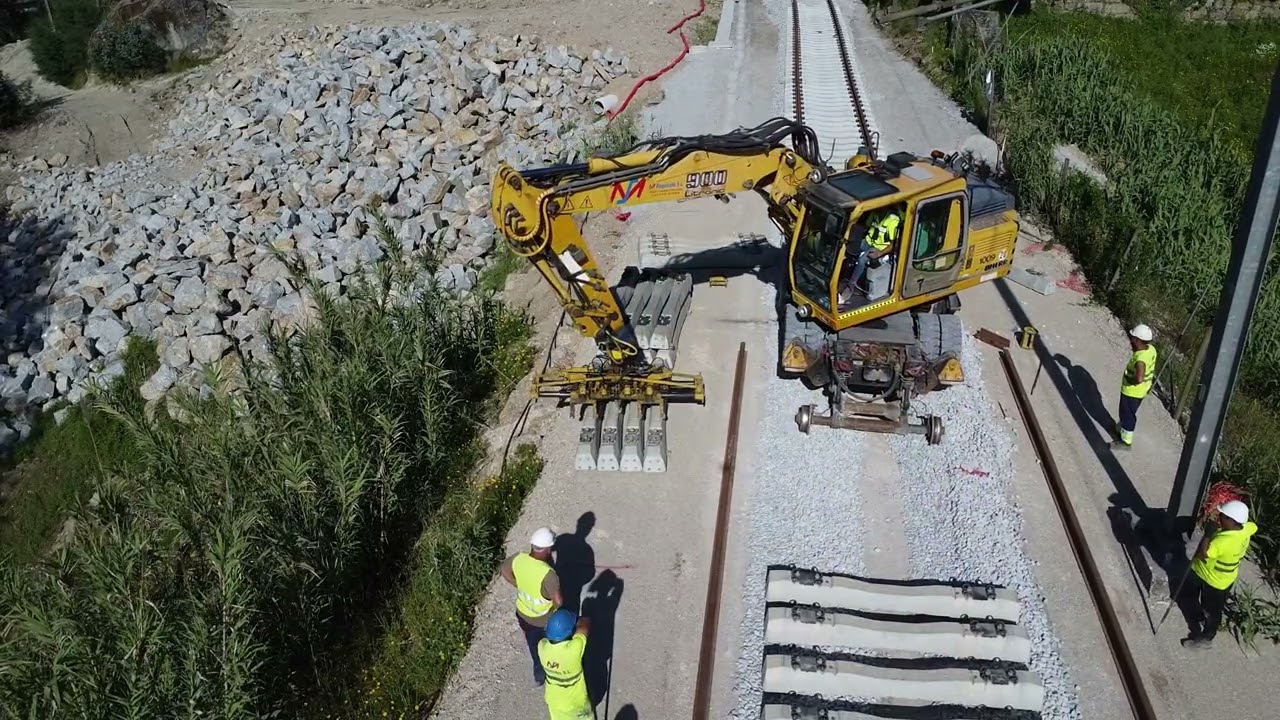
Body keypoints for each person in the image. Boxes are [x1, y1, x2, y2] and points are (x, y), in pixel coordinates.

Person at [1183, 500, 1258, 649]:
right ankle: (1201, 616)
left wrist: (1208, 534)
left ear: (1232, 521)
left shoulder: (1225, 542)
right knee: (1208, 604)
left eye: (1223, 516)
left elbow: (1204, 553)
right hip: (1225, 577)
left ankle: (1207, 638)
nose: (1219, 518)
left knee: (1211, 610)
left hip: (1214, 581)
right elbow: (1253, 526)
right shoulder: (1246, 529)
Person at [500, 527, 563, 686]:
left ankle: (539, 674)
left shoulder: (518, 559)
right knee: (548, 646)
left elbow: (504, 571)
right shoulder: (548, 574)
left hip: (522, 613)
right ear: (548, 549)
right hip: (541, 620)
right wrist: (554, 611)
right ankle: (553, 671)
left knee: (533, 645)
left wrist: (519, 584)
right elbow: (559, 601)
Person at [538, 609, 594, 720]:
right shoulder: (574, 649)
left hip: (554, 699)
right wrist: (578, 620)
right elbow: (586, 624)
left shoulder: (542, 647)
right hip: (576, 701)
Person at [1112, 324, 1156, 450]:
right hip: (1142, 391)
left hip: (1132, 391)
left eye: (1132, 339)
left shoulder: (1140, 359)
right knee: (1130, 411)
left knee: (1127, 413)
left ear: (1137, 340)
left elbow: (1139, 378)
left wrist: (1129, 378)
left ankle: (1125, 441)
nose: (1130, 341)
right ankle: (1123, 427)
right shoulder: (1151, 349)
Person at [848, 208, 902, 295]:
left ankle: (851, 285)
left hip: (879, 248)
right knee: (849, 249)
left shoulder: (892, 221)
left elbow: (894, 244)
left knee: (861, 260)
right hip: (868, 241)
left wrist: (879, 254)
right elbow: (867, 226)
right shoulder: (875, 213)